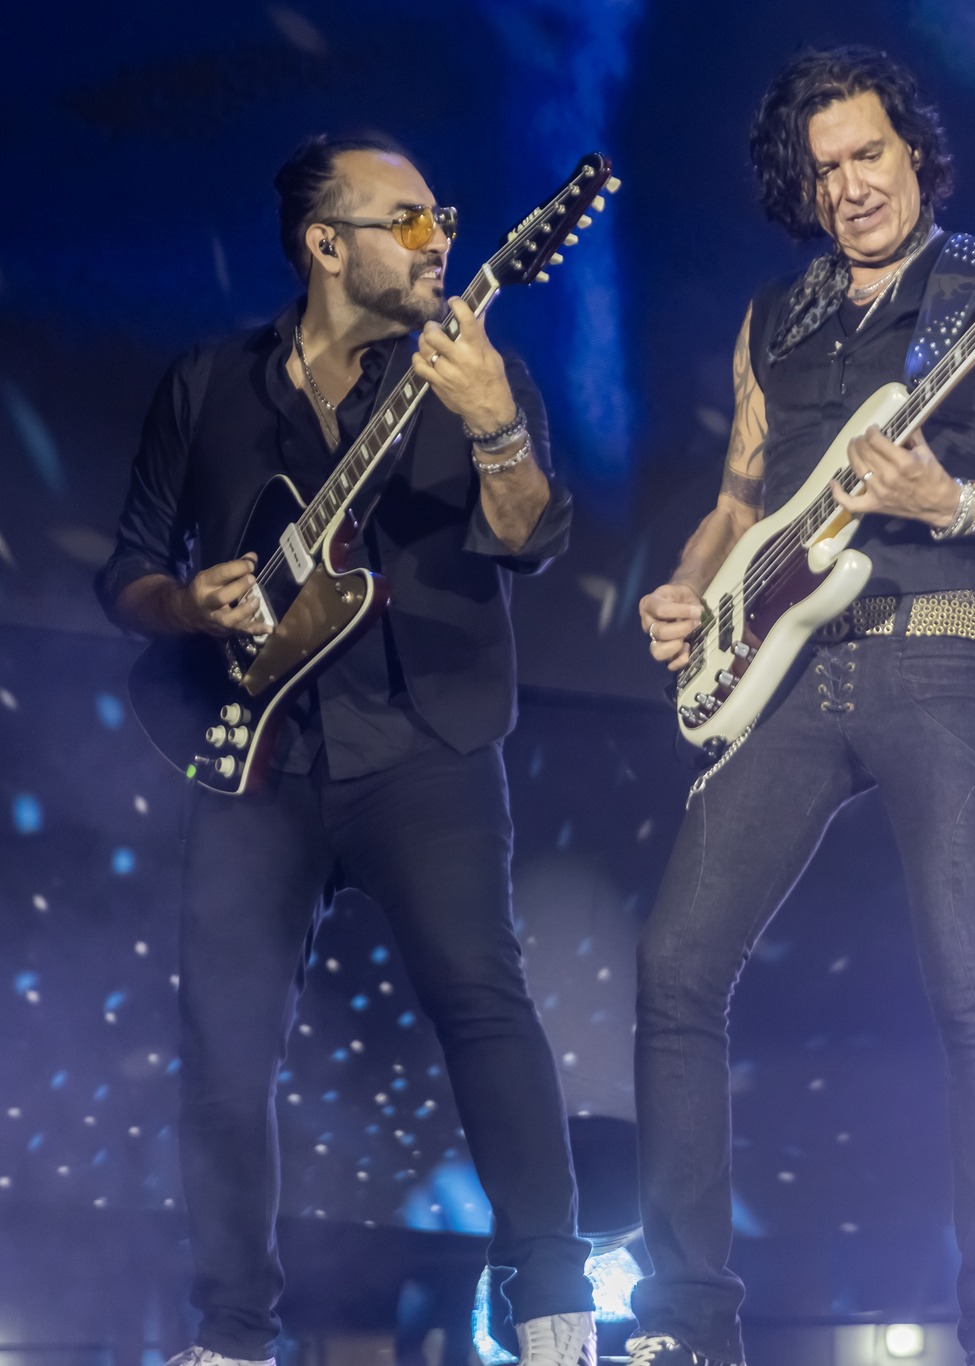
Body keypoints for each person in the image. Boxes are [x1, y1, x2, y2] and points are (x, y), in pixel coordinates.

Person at [630, 46, 975, 1366]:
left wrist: (950, 500)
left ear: (914, 153)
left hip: (944, 654)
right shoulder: (771, 319)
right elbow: (739, 499)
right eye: (825, 168)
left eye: (869, 155)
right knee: (674, 968)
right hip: (783, 672)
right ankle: (684, 1322)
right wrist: (687, 587)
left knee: (970, 988)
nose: (851, 186)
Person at [96, 135, 593, 1366]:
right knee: (222, 1050)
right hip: (257, 759)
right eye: (408, 221)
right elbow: (128, 570)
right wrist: (187, 605)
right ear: (326, 244)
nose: (439, 241)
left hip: (424, 739)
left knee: (482, 1002)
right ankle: (231, 1335)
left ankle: (553, 1311)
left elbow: (532, 538)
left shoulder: (473, 366)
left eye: (445, 219)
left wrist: (494, 427)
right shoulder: (209, 383)